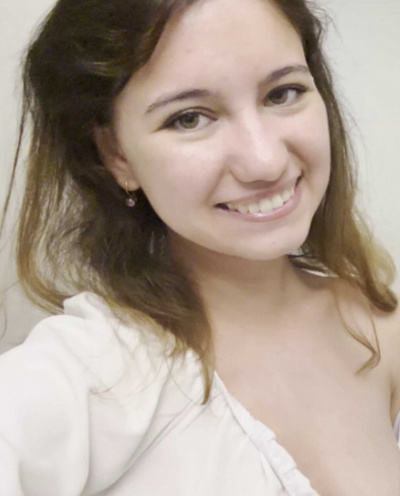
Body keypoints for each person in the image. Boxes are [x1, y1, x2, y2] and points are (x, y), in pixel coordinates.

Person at [0, 0, 399, 494]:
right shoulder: (93, 373)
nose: (265, 161)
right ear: (115, 154)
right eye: (189, 118)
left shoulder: (381, 329)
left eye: (283, 93)